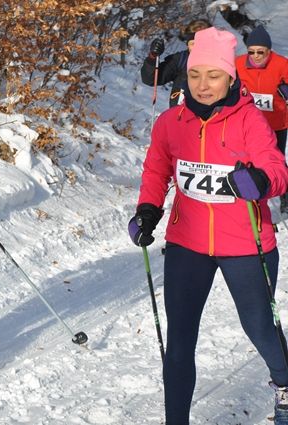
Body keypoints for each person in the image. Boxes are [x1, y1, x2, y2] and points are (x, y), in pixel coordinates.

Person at [128, 27, 288, 424]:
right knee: (179, 339)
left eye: (213, 75)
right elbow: (157, 168)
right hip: (188, 243)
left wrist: (261, 182)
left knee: (260, 329)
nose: (202, 84)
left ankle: (285, 386)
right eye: (195, 75)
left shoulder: (249, 120)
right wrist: (148, 209)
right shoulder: (170, 122)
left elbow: (276, 167)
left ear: (230, 77)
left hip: (246, 245)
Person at [235, 25, 288, 211]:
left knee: (277, 160)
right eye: (252, 51)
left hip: (277, 122)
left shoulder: (282, 64)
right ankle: (248, 192)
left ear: (269, 50)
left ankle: (285, 198)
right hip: (249, 123)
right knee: (248, 157)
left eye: (261, 52)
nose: (256, 56)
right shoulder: (238, 64)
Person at [141, 19, 211, 108]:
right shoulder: (180, 60)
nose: (198, 48)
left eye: (202, 43)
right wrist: (153, 57)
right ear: (188, 44)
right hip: (179, 118)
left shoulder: (223, 64)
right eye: (193, 43)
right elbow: (150, 80)